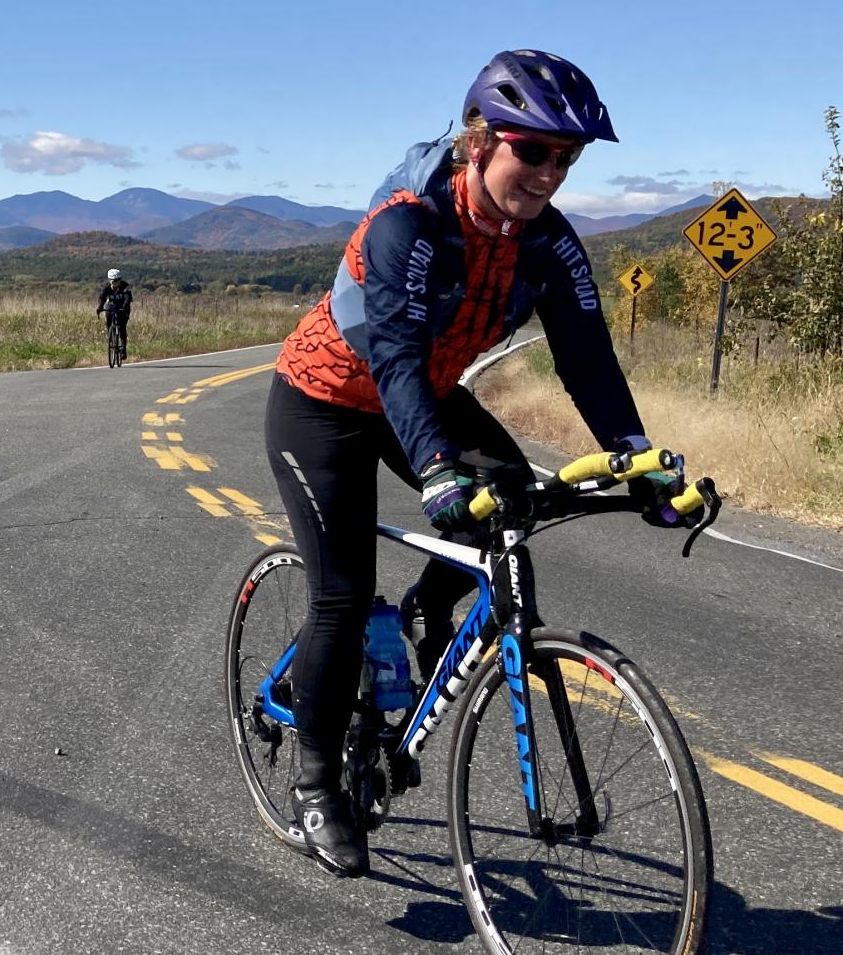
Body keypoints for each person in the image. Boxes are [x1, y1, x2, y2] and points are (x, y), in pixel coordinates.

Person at [265, 50, 695, 878]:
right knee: (343, 595)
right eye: (532, 150)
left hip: (420, 393)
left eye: (565, 159)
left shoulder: (550, 244)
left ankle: (432, 613)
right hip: (326, 399)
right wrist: (434, 469)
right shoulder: (408, 222)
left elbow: (589, 359)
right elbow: (390, 351)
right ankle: (316, 784)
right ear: (479, 141)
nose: (548, 173)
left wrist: (638, 463)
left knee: (511, 499)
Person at [96, 267, 132, 359]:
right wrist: (100, 307)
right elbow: (102, 297)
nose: (116, 282)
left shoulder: (125, 285)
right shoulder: (106, 287)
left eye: (118, 280)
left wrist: (124, 308)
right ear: (110, 281)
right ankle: (111, 339)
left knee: (122, 328)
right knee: (109, 322)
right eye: (114, 281)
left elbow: (128, 298)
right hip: (111, 305)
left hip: (123, 306)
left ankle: (123, 349)